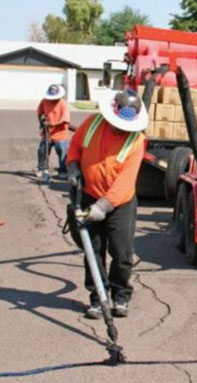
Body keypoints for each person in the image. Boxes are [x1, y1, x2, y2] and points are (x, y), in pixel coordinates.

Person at [66, 89, 147, 319]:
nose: (119, 129)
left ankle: (120, 296)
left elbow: (124, 183)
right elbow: (75, 146)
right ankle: (97, 298)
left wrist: (103, 206)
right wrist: (72, 166)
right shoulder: (92, 123)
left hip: (119, 204)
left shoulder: (136, 141)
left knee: (121, 253)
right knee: (93, 251)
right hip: (89, 195)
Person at [37, 84, 71, 180]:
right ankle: (42, 169)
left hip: (60, 132)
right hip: (47, 132)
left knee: (62, 151)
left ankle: (63, 171)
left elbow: (64, 119)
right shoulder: (44, 101)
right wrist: (41, 122)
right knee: (42, 150)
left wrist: (52, 124)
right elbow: (39, 112)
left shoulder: (63, 104)